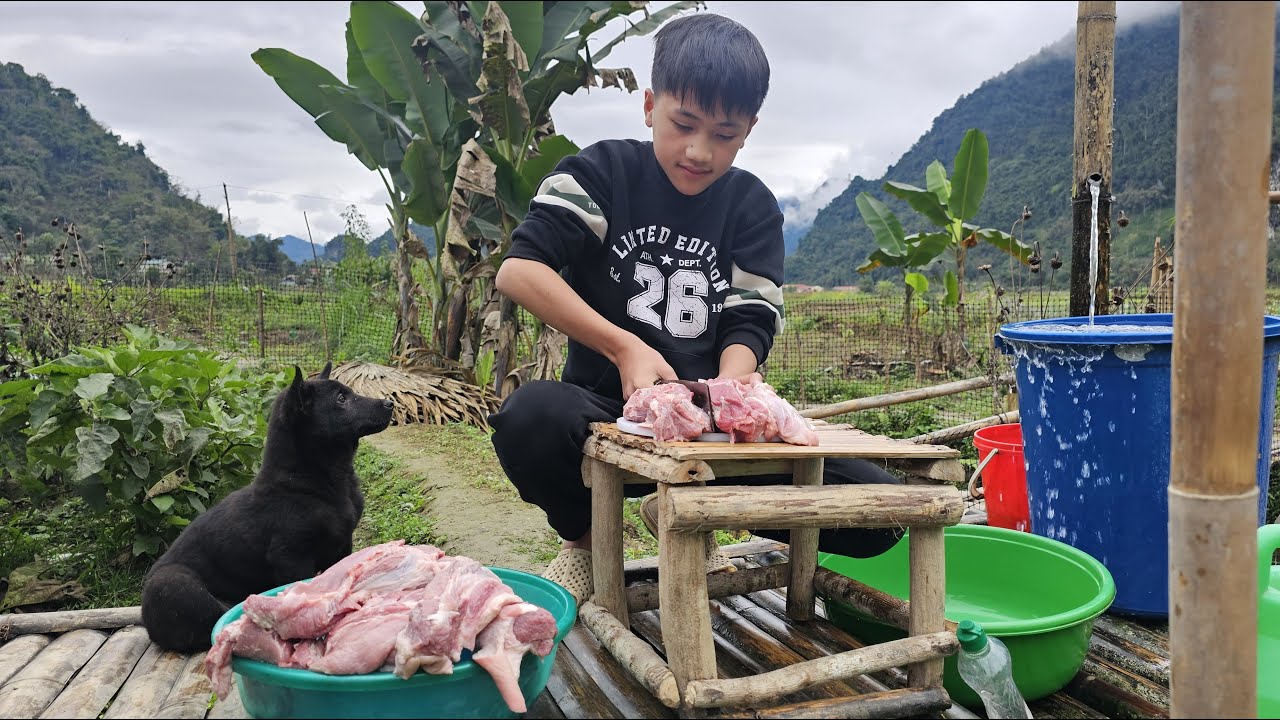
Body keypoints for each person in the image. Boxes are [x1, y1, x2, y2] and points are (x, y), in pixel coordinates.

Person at [489, 12, 904, 605]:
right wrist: (624, 348)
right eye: (683, 124)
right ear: (649, 105)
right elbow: (520, 270)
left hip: (711, 423)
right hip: (608, 410)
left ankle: (692, 514)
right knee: (530, 418)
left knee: (880, 515)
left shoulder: (751, 205)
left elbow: (751, 315)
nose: (699, 150)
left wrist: (732, 394)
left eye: (725, 134)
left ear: (749, 130)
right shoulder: (601, 172)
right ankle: (583, 542)